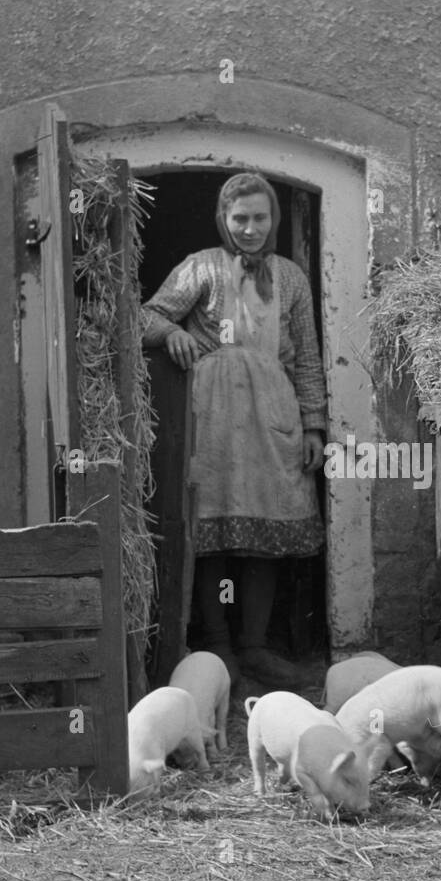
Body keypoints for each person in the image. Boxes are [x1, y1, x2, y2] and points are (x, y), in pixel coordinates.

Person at [141, 172, 326, 688]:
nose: (249, 228)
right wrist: (172, 331)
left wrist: (313, 425)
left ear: (274, 219)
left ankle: (255, 647)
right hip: (213, 417)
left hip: (273, 418)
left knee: (264, 532)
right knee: (215, 533)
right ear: (223, 219)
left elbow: (307, 356)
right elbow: (144, 317)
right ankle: (218, 648)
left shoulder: (290, 277)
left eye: (259, 218)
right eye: (239, 218)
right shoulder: (200, 267)